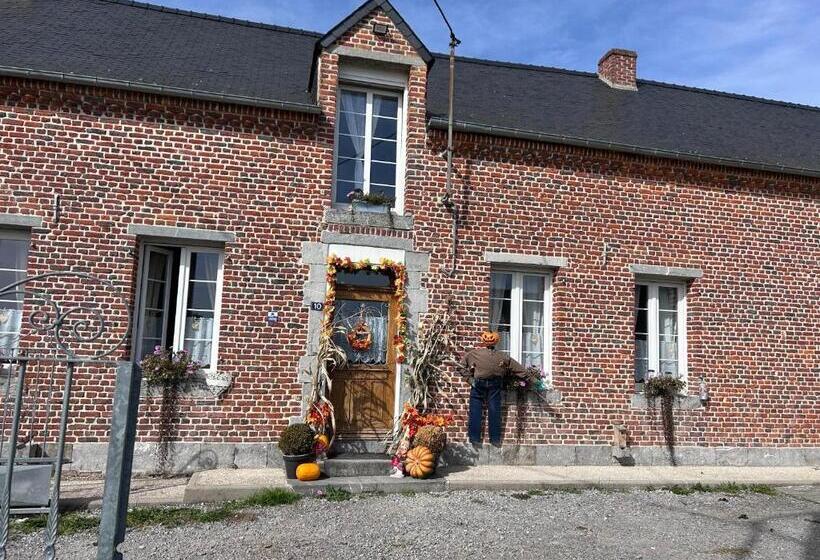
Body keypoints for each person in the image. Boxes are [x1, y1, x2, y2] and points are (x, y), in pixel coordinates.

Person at [460, 331, 526, 446]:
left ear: (483, 341)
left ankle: (474, 438)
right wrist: (531, 378)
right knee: (495, 411)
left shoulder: (473, 354)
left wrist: (469, 379)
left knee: (475, 410)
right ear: (496, 341)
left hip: (478, 384)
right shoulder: (502, 356)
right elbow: (519, 369)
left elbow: (461, 366)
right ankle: (495, 439)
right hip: (494, 384)